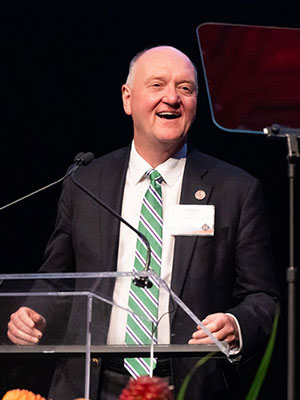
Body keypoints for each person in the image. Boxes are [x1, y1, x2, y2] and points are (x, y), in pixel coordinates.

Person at [7, 46, 279, 399]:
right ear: (127, 98)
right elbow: (57, 278)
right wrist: (32, 313)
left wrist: (236, 324)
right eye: (157, 85)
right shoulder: (86, 183)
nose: (172, 98)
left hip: (186, 384)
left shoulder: (235, 190)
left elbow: (262, 297)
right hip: (92, 382)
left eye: (186, 88)